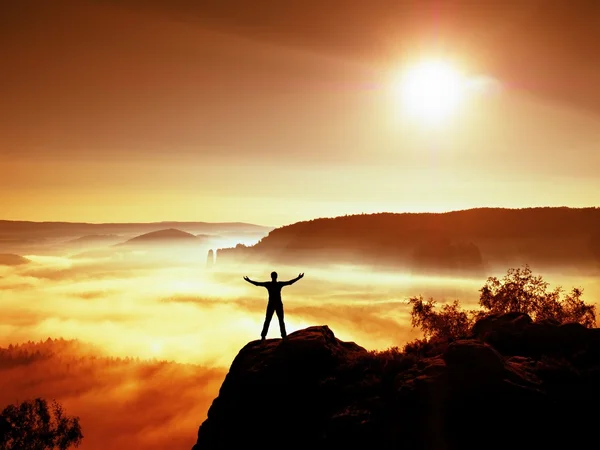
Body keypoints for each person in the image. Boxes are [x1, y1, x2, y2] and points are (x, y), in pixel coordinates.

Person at [243, 271, 304, 340]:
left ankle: (265, 336)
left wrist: (249, 280)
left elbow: (257, 284)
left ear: (271, 277)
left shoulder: (269, 284)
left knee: (271, 320)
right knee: (277, 320)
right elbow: (290, 282)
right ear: (276, 276)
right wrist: (299, 277)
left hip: (273, 304)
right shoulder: (278, 284)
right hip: (276, 304)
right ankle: (282, 335)